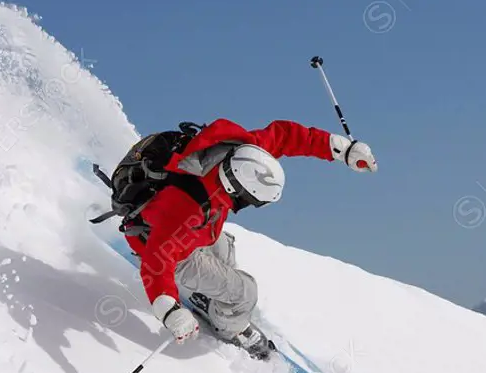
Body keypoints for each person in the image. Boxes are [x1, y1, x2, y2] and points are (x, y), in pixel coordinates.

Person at [122, 118, 377, 359]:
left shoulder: (241, 153)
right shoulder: (188, 207)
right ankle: (232, 330)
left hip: (188, 233)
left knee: (225, 250)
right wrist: (168, 309)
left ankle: (213, 300)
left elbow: (285, 136)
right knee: (244, 292)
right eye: (251, 201)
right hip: (156, 243)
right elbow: (157, 260)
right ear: (238, 190)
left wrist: (341, 149)